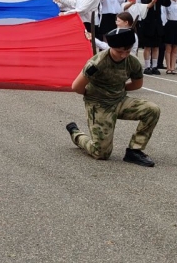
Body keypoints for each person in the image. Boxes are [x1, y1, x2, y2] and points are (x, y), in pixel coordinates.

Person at [66, 28, 160, 167]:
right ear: (111, 47)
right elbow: (76, 87)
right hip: (99, 104)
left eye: (127, 51)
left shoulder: (132, 61)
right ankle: (76, 134)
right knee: (101, 153)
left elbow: (137, 84)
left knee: (152, 110)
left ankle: (134, 151)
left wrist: (118, 90)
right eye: (119, 51)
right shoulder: (97, 63)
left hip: (120, 100)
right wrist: (93, 97)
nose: (123, 55)